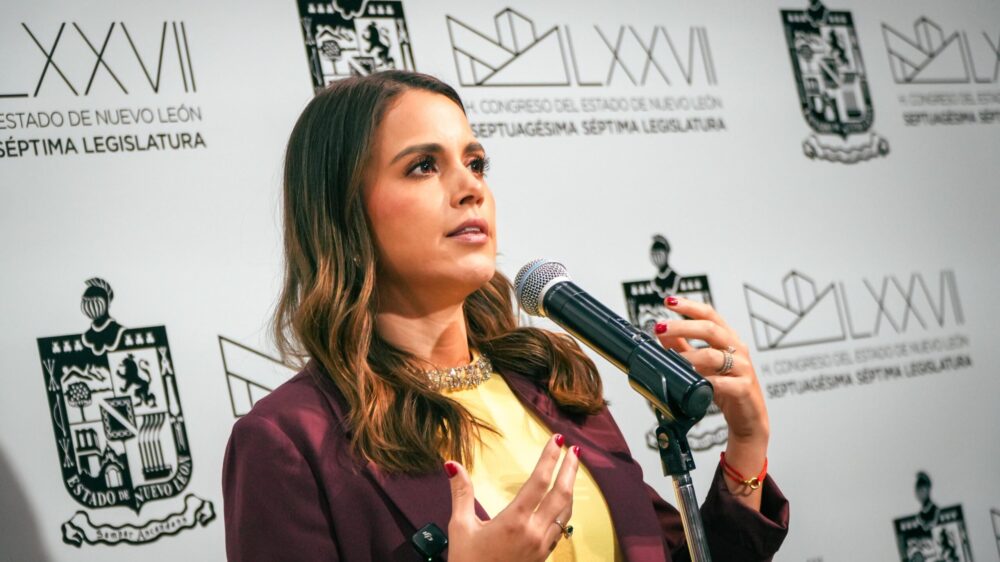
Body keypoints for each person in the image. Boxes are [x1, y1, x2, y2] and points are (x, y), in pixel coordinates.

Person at [222, 70, 789, 561]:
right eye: (423, 166)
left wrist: (745, 446)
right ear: (343, 215)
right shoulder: (287, 442)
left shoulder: (551, 380)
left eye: (476, 163)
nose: (470, 188)